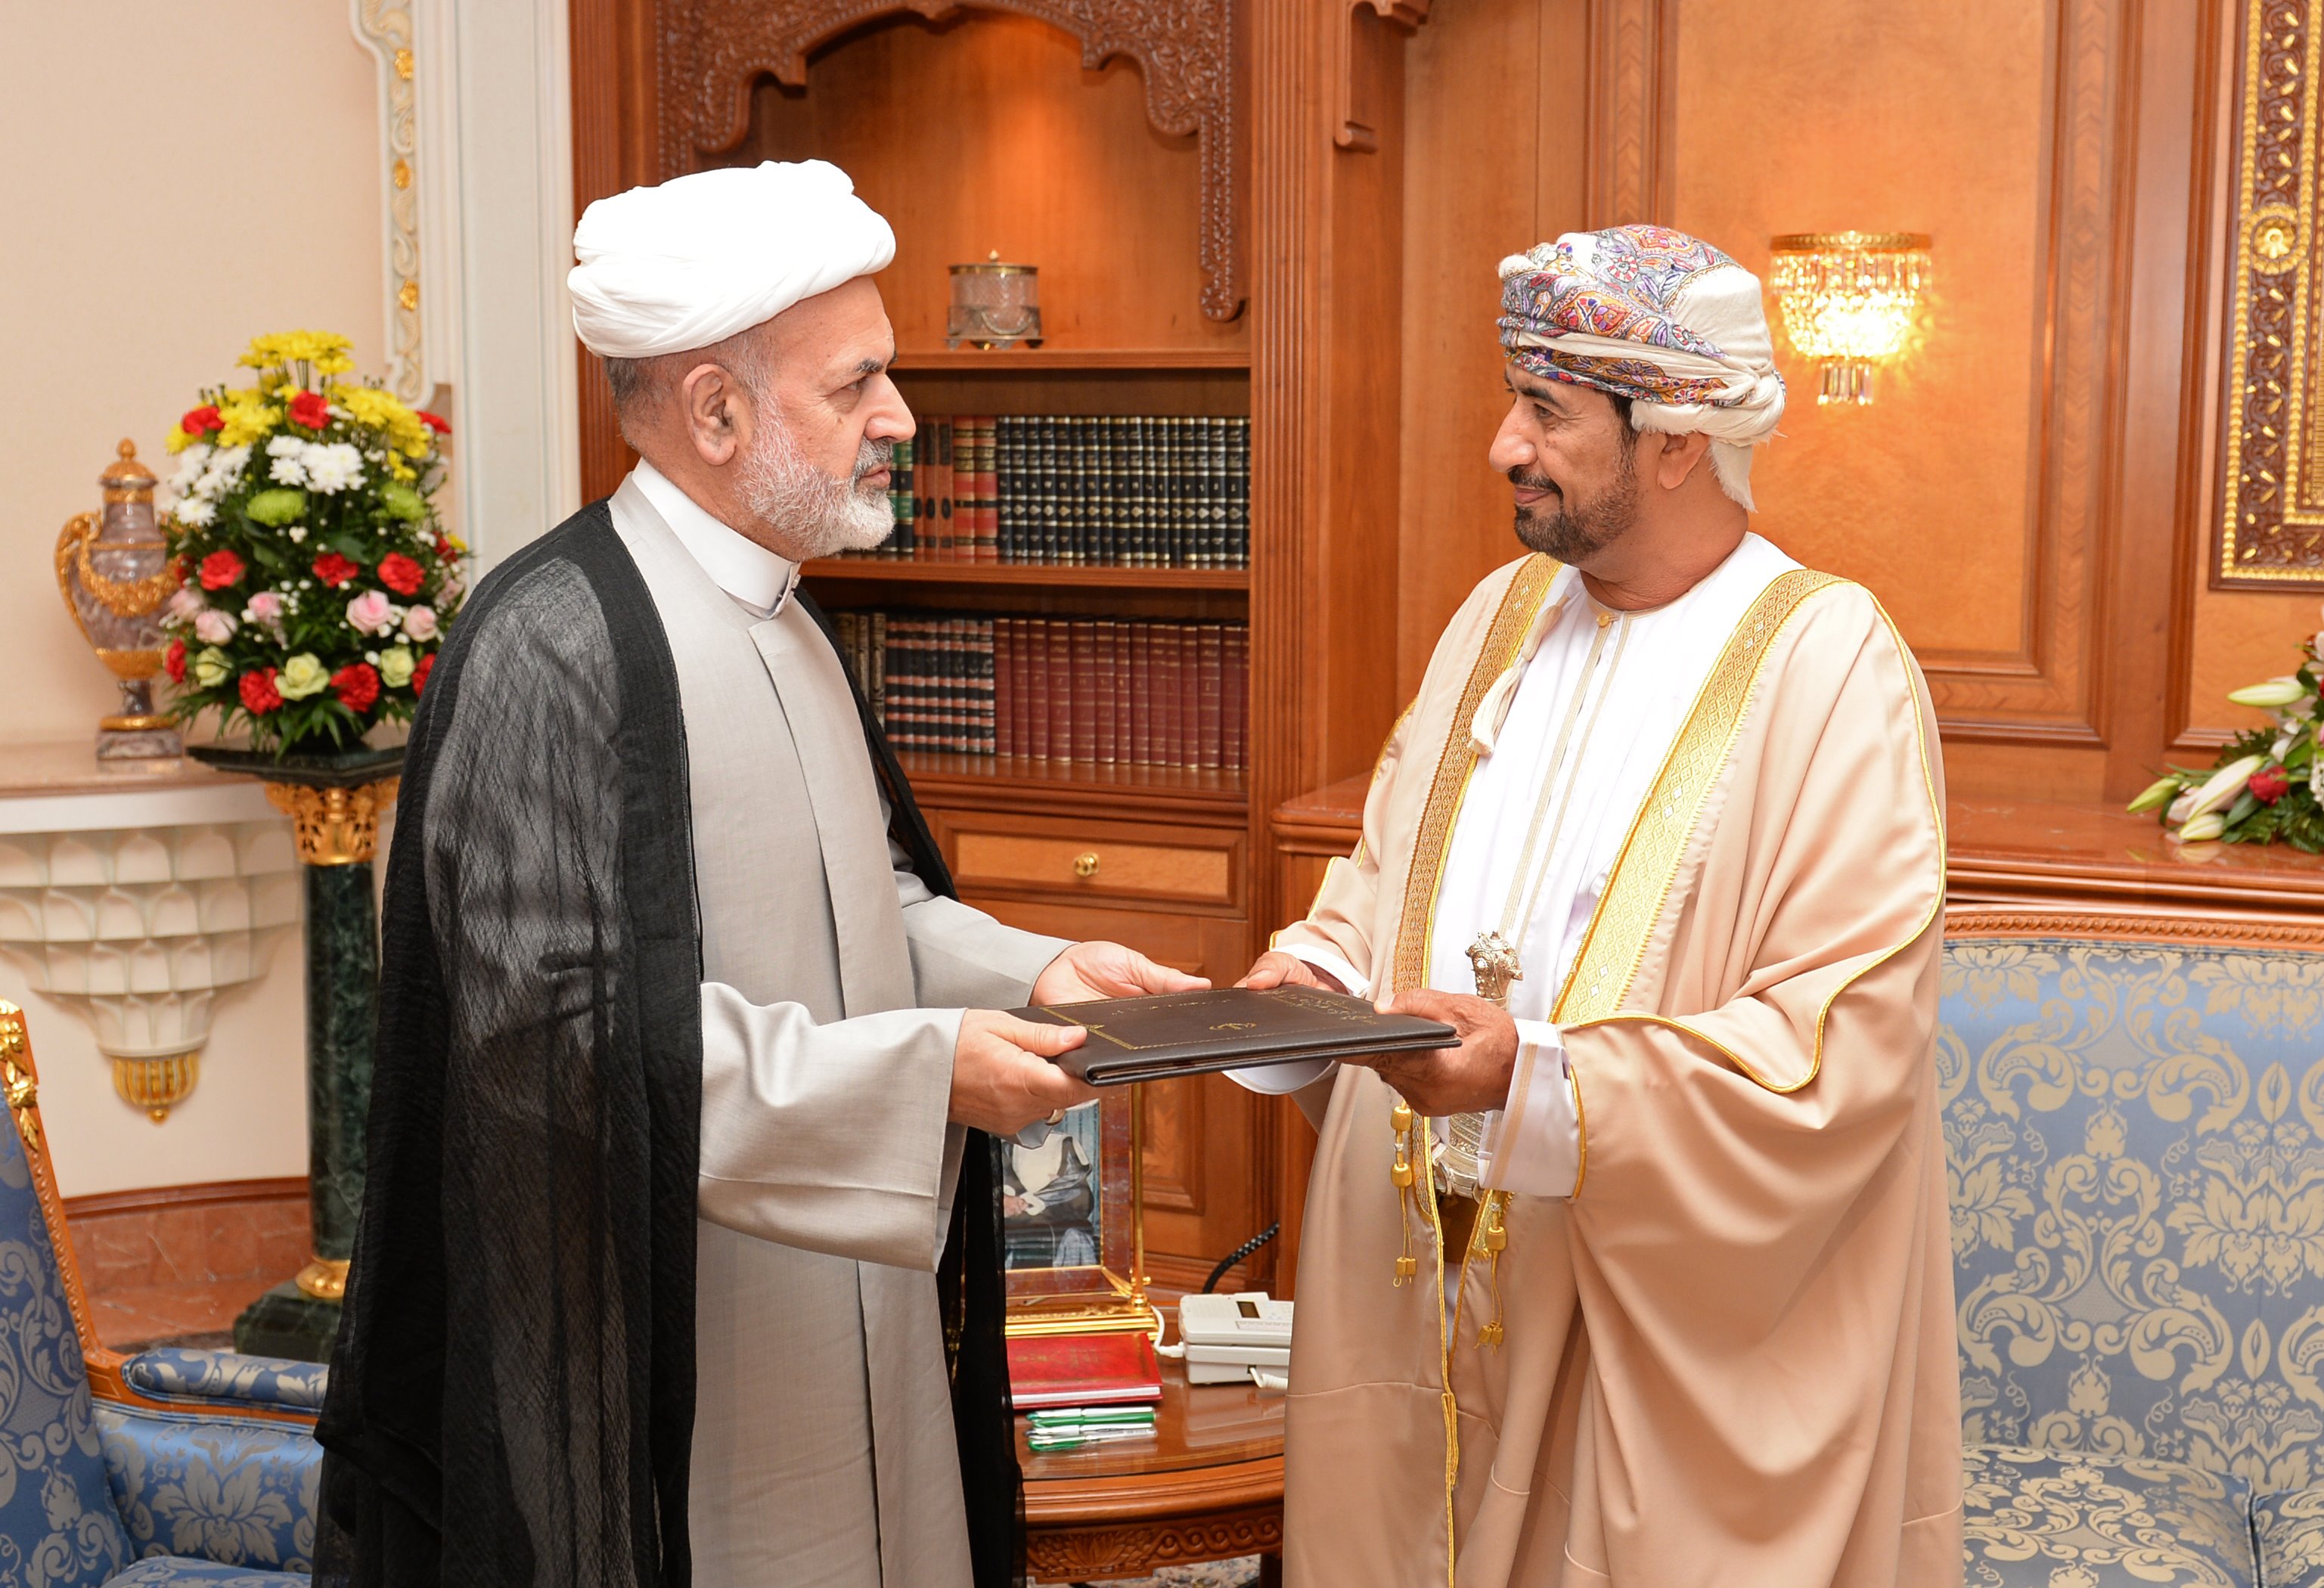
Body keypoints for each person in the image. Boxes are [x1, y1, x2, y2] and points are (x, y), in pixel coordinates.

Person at [315, 159, 1201, 1588]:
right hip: (689, 1350)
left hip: (865, 1318)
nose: (898, 417)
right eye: (855, 384)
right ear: (716, 411)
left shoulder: (787, 617)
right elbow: (550, 1046)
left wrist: (1037, 973)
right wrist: (922, 1079)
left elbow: (866, 910)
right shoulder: (557, 644)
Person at [1235, 225, 1960, 1585]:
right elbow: (1377, 883)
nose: (1503, 446)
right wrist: (1308, 986)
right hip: (1422, 1272)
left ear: (1675, 438)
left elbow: (1837, 1050)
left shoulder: (1828, 662)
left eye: (1546, 411)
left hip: (1651, 1323)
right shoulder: (1497, 616)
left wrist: (1535, 1084)